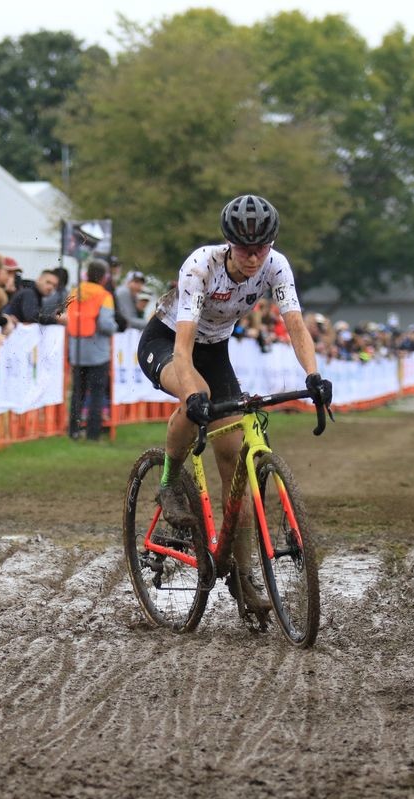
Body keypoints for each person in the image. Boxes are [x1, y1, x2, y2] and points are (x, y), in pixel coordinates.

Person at [136, 194, 332, 612]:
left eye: (261, 248)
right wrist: (192, 394)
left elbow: (294, 324)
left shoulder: (276, 265)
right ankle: (169, 481)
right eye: (245, 249)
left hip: (215, 349)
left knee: (235, 466)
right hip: (169, 342)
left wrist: (313, 375)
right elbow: (185, 347)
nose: (253, 257)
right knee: (198, 397)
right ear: (229, 244)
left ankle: (243, 579)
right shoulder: (200, 266)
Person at [66, 258, 117, 440]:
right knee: (96, 393)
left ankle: (73, 431)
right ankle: (93, 434)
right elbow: (105, 323)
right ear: (104, 278)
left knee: (77, 393)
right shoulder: (105, 296)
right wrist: (115, 326)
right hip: (98, 352)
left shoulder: (74, 292)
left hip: (77, 351)